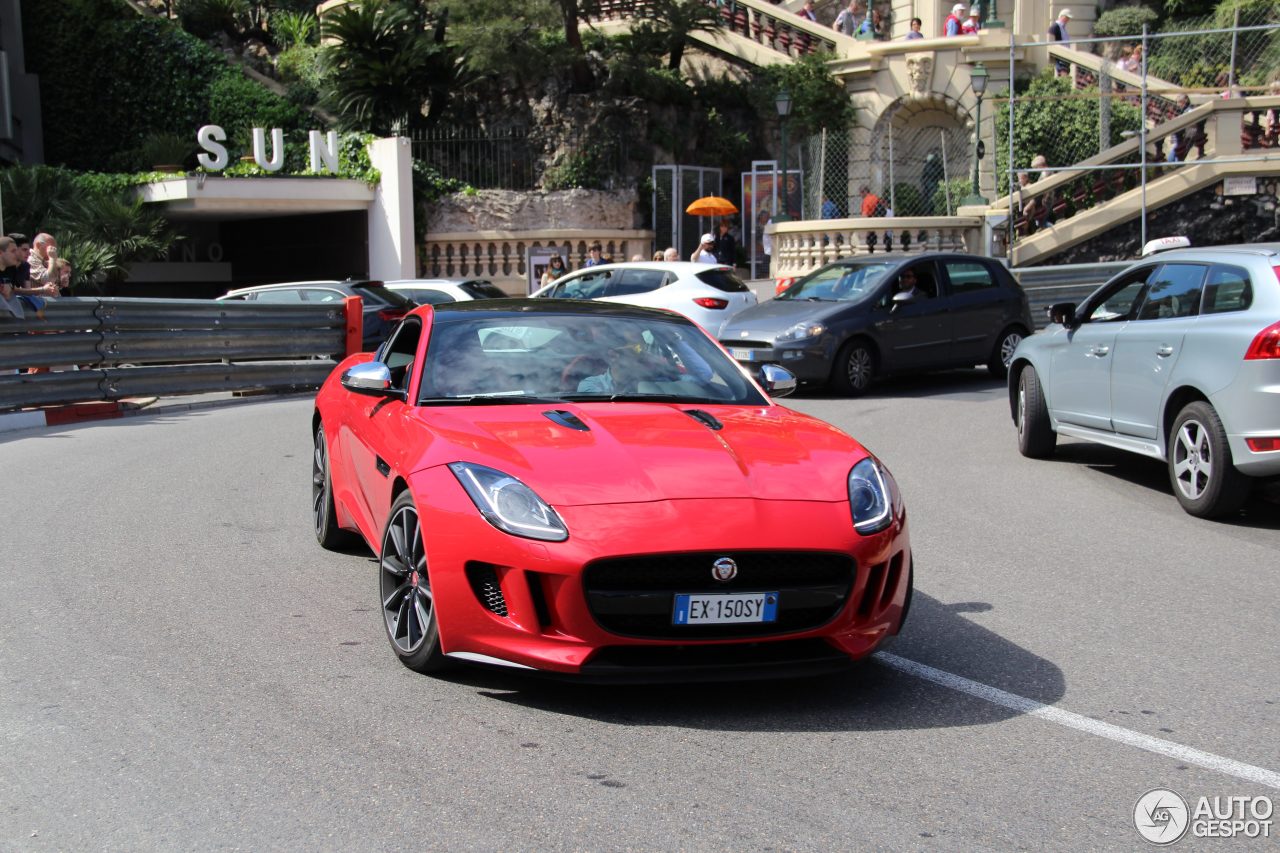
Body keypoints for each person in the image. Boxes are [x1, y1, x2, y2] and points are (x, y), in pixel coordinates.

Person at [1049, 10, 1071, 76]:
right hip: (1060, 55)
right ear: (1062, 16)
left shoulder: (1062, 28)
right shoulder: (1055, 27)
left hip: (1065, 54)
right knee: (1063, 72)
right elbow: (1051, 39)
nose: (1068, 20)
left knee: (1065, 71)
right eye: (1066, 17)